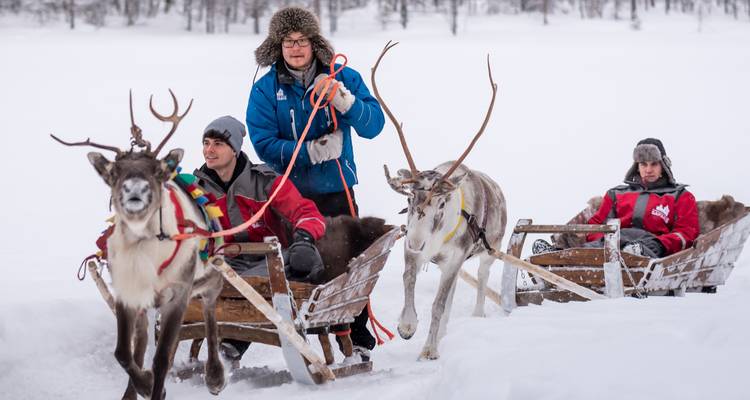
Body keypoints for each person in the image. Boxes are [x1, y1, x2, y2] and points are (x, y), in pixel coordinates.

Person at [246, 6, 385, 358]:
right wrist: (311, 151)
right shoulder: (266, 90)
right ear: (277, 46)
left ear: (314, 42)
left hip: (337, 189)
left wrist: (344, 99)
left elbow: (373, 125)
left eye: (301, 40)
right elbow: (262, 142)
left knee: (349, 263)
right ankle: (306, 336)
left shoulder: (343, 76)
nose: (295, 48)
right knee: (303, 265)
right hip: (292, 195)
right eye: (287, 41)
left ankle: (356, 335)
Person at [193, 115, 327, 364]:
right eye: (206, 143)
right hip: (222, 263)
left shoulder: (266, 182)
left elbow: (306, 212)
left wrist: (305, 238)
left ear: (234, 150)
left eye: (218, 144)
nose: (209, 150)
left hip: (268, 262)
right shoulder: (196, 190)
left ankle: (233, 343)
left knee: (283, 267)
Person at [536, 138, 700, 258]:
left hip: (650, 247)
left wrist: (659, 244)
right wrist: (607, 239)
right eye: (643, 164)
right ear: (637, 166)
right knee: (600, 246)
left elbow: (686, 233)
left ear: (663, 166)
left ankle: (564, 257)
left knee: (632, 248)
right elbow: (595, 226)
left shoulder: (680, 196)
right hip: (613, 244)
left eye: (654, 164)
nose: (648, 170)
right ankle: (557, 256)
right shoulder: (617, 194)